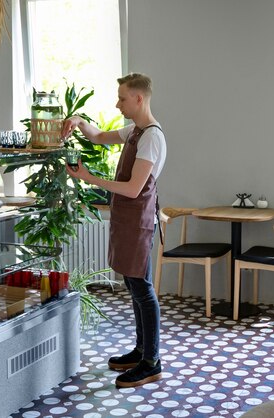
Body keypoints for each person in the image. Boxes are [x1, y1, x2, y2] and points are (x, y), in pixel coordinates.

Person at [62, 73, 166, 388]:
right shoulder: (135, 130)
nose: (117, 103)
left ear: (138, 99)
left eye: (122, 98)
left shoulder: (150, 136)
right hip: (129, 221)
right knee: (136, 287)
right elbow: (99, 137)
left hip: (138, 222)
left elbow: (134, 189)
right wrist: (79, 121)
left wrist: (89, 178)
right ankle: (141, 350)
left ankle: (151, 361)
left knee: (142, 290)